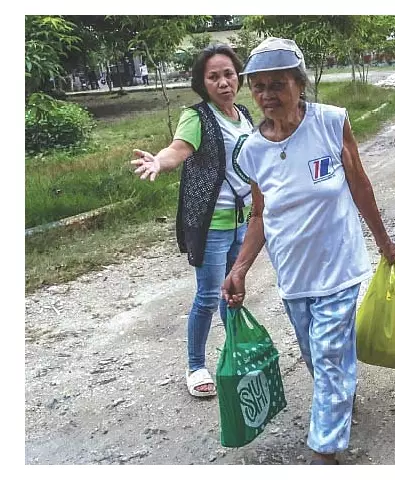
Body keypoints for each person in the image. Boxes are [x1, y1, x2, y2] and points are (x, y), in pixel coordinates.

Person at [221, 37, 395, 465]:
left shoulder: (331, 122)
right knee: (316, 358)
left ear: (300, 85)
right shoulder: (252, 150)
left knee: (329, 356)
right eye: (259, 86)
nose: (267, 95)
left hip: (339, 267)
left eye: (278, 84)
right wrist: (240, 268)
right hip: (293, 275)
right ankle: (339, 397)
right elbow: (259, 214)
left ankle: (324, 451)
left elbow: (359, 184)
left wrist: (382, 240)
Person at [130, 44, 255, 399]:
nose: (223, 82)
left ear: (238, 76)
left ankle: (235, 353)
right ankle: (196, 365)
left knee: (233, 292)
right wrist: (159, 161)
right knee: (208, 296)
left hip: (242, 221)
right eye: (213, 77)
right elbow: (178, 149)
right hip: (212, 223)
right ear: (202, 83)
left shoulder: (244, 114)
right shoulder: (196, 117)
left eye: (228, 74)